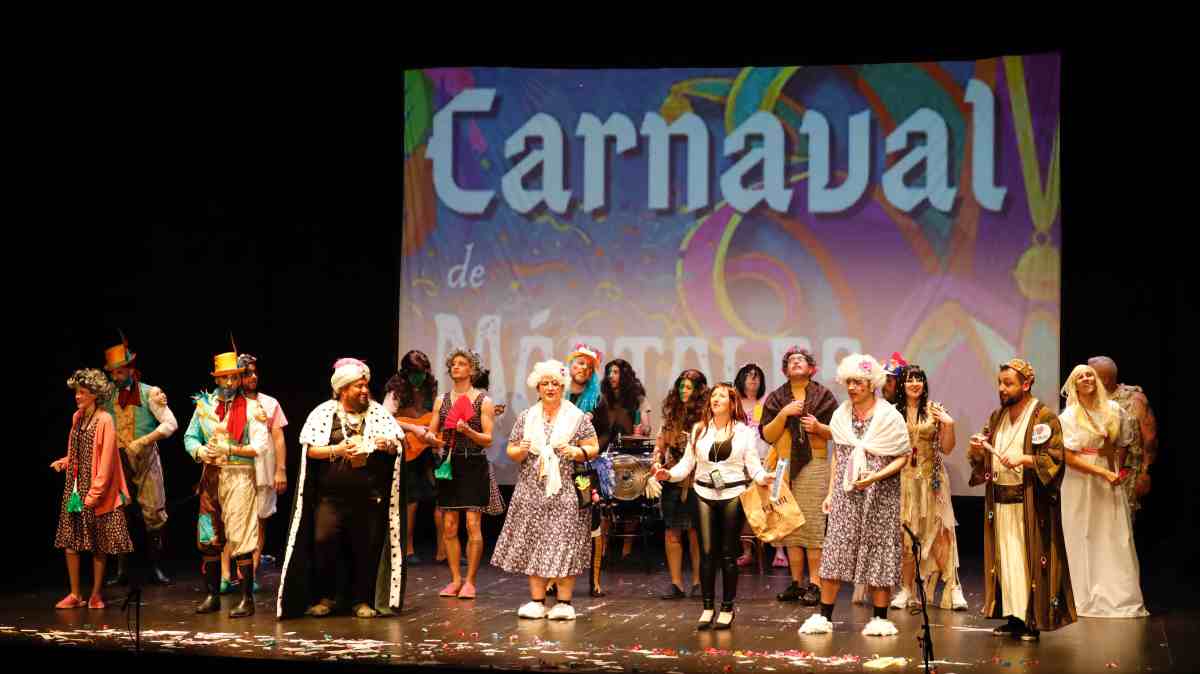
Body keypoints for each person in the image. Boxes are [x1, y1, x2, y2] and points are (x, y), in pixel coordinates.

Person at [277, 358, 405, 619]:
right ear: (343, 389)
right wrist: (337, 449)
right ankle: (327, 597)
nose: (364, 390)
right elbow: (310, 451)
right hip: (330, 498)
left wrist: (386, 445)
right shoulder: (324, 413)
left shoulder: (378, 413)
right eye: (358, 386)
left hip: (368, 498)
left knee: (365, 548)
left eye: (365, 385)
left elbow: (397, 445)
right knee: (324, 542)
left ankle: (361, 600)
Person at [799, 354, 911, 637]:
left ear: (871, 384)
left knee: (878, 551)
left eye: (858, 382)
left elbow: (902, 457)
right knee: (836, 548)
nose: (852, 387)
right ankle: (824, 616)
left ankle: (880, 618)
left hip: (880, 494)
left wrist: (875, 477)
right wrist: (831, 491)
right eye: (848, 382)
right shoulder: (841, 414)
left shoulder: (889, 416)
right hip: (847, 492)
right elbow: (840, 453)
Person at [967, 358, 1075, 641]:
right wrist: (978, 449)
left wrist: (1025, 458)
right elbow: (982, 458)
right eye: (1000, 383)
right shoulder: (997, 417)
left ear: (1026, 384)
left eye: (1009, 383)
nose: (1002, 389)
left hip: (1029, 503)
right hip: (1000, 501)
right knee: (1007, 561)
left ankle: (1033, 622)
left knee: (1029, 561)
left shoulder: (1043, 416)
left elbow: (1054, 458)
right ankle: (1014, 618)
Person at [654, 382, 773, 629]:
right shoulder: (699, 430)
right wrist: (668, 475)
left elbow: (753, 467)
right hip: (703, 493)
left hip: (732, 494)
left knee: (729, 553)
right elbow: (686, 466)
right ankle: (707, 607)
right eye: (713, 396)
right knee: (707, 553)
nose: (716, 399)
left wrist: (764, 478)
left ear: (732, 403)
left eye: (722, 396)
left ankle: (727, 607)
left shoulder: (743, 432)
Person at [491, 360, 600, 620]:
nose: (550, 388)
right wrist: (522, 450)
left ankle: (564, 602)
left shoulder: (576, 417)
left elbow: (593, 446)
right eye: (545, 384)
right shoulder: (527, 416)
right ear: (537, 387)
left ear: (562, 387)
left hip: (565, 492)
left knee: (564, 544)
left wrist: (576, 452)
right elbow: (512, 451)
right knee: (535, 544)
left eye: (555, 383)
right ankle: (537, 601)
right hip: (532, 492)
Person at [182, 350, 272, 618]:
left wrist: (231, 448)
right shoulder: (205, 406)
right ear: (217, 379)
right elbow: (190, 437)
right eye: (225, 378)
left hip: (239, 476)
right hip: (211, 476)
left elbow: (260, 446)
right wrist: (200, 451)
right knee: (209, 534)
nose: (231, 383)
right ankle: (212, 595)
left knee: (242, 535)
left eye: (235, 377)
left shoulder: (253, 408)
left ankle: (246, 599)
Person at [1059, 364, 1147, 617]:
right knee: (1081, 532)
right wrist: (1103, 472)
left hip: (1109, 478)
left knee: (1111, 534)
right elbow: (1069, 457)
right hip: (1080, 480)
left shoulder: (1113, 410)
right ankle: (1081, 595)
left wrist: (1114, 468)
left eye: (1090, 374)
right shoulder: (1069, 416)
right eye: (1080, 376)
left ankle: (1115, 594)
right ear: (1074, 384)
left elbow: (1123, 444)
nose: (1086, 378)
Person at [760, 347, 838, 606]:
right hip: (783, 464)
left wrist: (818, 427)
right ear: (784, 370)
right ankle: (796, 583)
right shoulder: (776, 398)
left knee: (813, 526)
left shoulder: (823, 395)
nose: (795, 362)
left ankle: (815, 583)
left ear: (811, 368)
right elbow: (768, 435)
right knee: (789, 526)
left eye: (801, 359)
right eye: (791, 361)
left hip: (814, 463)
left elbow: (838, 433)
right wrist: (784, 414)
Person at [53, 369, 132, 609]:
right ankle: (75, 593)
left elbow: (107, 462)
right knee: (71, 539)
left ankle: (96, 594)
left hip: (98, 489)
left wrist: (94, 495)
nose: (78, 396)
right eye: (77, 392)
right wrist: (66, 461)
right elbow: (77, 448)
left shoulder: (105, 420)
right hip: (76, 486)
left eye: (83, 392)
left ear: (94, 395)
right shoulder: (77, 417)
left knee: (100, 542)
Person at [101, 337, 177, 587]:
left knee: (153, 512)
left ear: (132, 370)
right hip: (117, 460)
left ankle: (155, 567)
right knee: (120, 512)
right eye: (112, 372)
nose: (115, 377)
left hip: (145, 458)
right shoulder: (107, 395)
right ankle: (122, 570)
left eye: (120, 371)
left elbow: (170, 424)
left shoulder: (150, 393)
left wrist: (144, 440)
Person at [891, 364, 968, 611]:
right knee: (907, 537)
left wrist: (949, 424)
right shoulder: (892, 413)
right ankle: (906, 589)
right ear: (901, 384)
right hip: (903, 481)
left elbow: (946, 448)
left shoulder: (934, 410)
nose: (915, 383)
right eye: (910, 379)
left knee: (942, 533)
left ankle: (953, 586)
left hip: (932, 480)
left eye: (919, 379)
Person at [428, 348, 497, 600]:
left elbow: (488, 439)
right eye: (453, 364)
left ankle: (470, 581)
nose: (456, 367)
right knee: (448, 525)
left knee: (472, 524)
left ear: (472, 369)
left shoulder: (483, 401)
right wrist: (427, 438)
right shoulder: (442, 400)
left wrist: (468, 431)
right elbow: (433, 434)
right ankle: (455, 579)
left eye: (461, 363)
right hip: (449, 464)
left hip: (473, 463)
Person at [218, 353, 288, 595]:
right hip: (236, 472)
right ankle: (226, 572)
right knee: (234, 520)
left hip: (264, 470)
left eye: (255, 372)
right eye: (247, 373)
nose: (253, 377)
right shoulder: (227, 403)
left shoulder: (269, 403)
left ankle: (251, 572)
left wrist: (281, 470)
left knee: (259, 522)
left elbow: (278, 438)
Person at [384, 350, 443, 566]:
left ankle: (443, 552)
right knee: (411, 501)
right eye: (415, 372)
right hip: (407, 447)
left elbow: (434, 416)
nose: (420, 376)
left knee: (441, 496)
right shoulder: (396, 389)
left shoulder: (431, 386)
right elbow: (385, 418)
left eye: (423, 371)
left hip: (427, 449)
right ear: (406, 371)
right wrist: (413, 429)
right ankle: (407, 550)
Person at [655, 369, 708, 599]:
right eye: (681, 386)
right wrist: (657, 461)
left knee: (696, 532)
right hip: (672, 480)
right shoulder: (671, 418)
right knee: (672, 532)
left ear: (699, 391)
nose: (684, 391)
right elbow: (660, 446)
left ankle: (698, 582)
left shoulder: (706, 419)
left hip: (698, 481)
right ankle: (676, 583)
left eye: (689, 387)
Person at [1087, 356, 1157, 519]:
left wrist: (1145, 472)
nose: (1086, 378)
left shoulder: (1134, 400)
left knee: (1120, 522)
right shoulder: (1088, 398)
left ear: (1104, 379)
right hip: (1094, 471)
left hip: (1126, 473)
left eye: (1091, 375)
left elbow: (1150, 439)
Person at [601, 358, 651, 562]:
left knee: (632, 502)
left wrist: (643, 429)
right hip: (605, 455)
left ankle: (627, 547)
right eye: (609, 372)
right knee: (604, 504)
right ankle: (602, 548)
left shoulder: (637, 398)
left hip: (632, 456)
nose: (612, 376)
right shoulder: (601, 398)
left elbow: (647, 428)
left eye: (616, 372)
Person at [731, 363, 778, 568]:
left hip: (765, 459)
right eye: (749, 376)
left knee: (772, 505)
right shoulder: (734, 403)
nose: (753, 379)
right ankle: (747, 551)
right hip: (741, 462)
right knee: (745, 507)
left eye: (757, 376)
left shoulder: (768, 401)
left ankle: (779, 550)